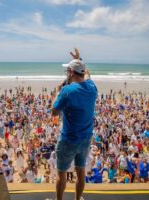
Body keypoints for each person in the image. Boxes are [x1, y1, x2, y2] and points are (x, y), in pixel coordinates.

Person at [52, 48, 97, 200]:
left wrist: (57, 92)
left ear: (71, 72)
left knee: (61, 173)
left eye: (67, 71)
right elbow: (87, 74)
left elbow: (54, 112)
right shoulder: (92, 87)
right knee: (80, 171)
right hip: (85, 139)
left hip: (68, 140)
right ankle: (78, 199)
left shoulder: (67, 91)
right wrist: (79, 59)